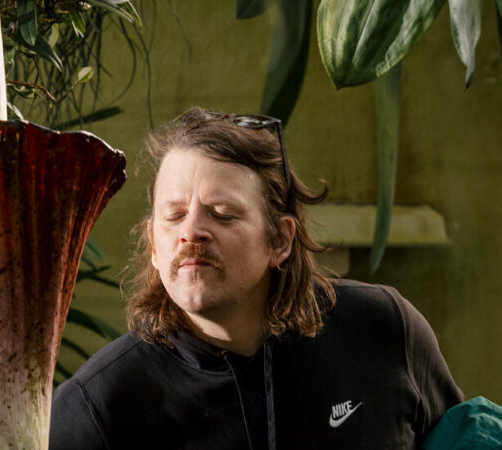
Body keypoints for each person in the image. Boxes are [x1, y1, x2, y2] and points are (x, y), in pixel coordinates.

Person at [48, 108, 463, 450]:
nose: (191, 231)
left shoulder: (385, 329)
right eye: (173, 216)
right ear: (155, 248)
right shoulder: (95, 407)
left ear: (280, 240)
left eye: (223, 213)